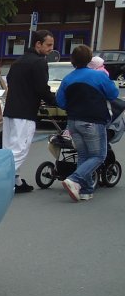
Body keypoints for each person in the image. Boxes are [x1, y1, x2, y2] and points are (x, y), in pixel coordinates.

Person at [55, 44, 119, 202]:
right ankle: (74, 179)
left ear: (72, 60)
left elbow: (61, 102)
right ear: (90, 59)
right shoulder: (98, 76)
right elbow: (113, 93)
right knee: (98, 156)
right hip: (93, 120)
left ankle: (86, 190)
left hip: (73, 122)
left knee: (84, 155)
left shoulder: (68, 78)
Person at [2, 29, 57, 193]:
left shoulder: (18, 62)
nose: (51, 49)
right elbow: (41, 88)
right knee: (20, 150)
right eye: (48, 45)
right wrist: (56, 102)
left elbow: (10, 81)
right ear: (38, 44)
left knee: (8, 148)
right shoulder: (39, 62)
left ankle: (16, 182)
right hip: (25, 113)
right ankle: (2, 180)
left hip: (10, 110)